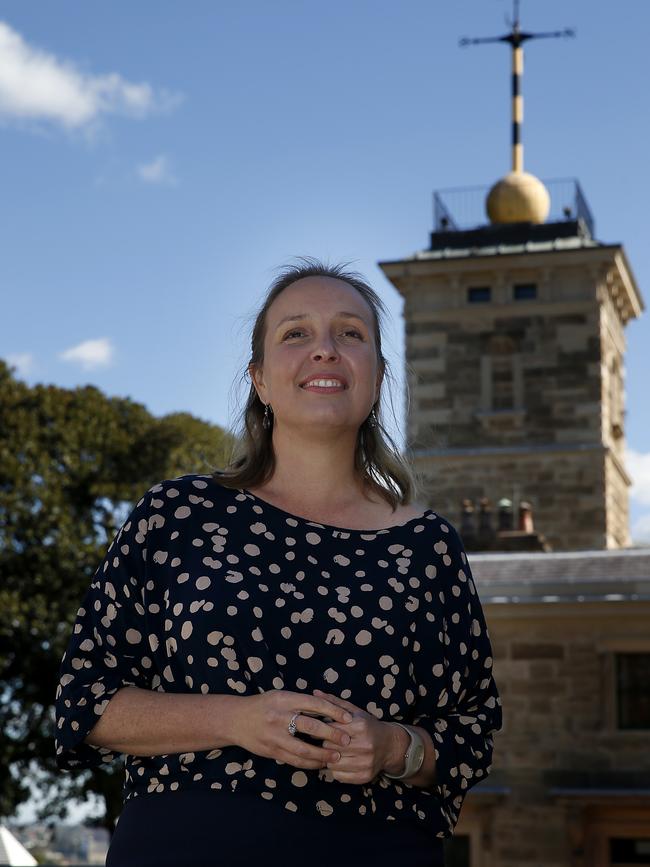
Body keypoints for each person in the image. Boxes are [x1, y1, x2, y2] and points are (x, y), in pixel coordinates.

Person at [54, 259, 502, 866]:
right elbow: (86, 701)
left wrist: (394, 748)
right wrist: (237, 719)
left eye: (350, 334)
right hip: (185, 846)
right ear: (260, 379)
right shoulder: (178, 514)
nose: (324, 350)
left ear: (376, 377)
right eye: (296, 333)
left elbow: (472, 733)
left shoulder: (429, 547)